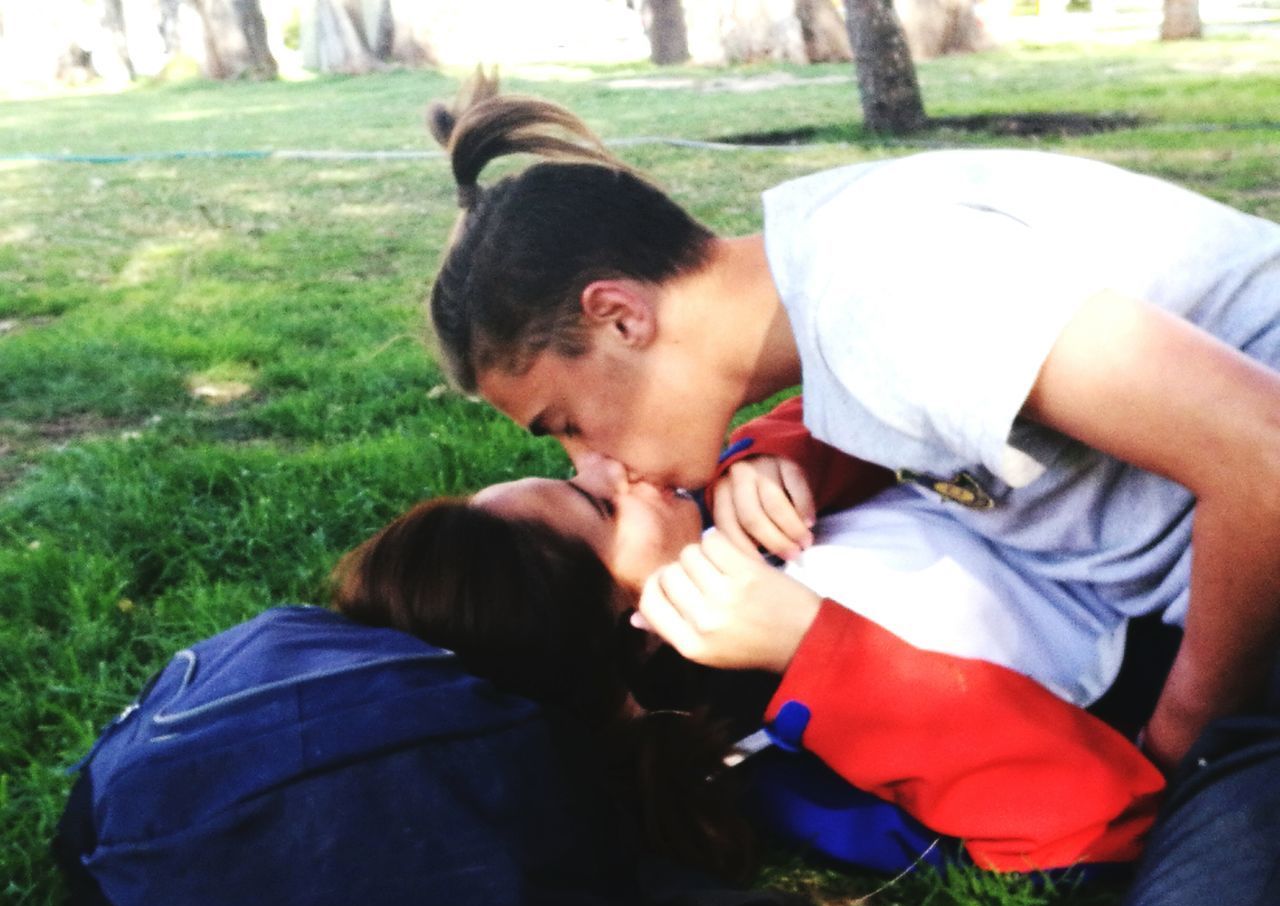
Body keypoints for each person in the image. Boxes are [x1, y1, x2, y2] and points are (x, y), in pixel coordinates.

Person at [424, 86, 1280, 778]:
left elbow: (1266, 454)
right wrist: (767, 452)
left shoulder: (890, 299)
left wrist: (1183, 738)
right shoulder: (824, 272)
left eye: (568, 425)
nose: (597, 464)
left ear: (618, 316)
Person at [334, 409, 1166, 874]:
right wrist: (818, 652)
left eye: (568, 473)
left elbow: (891, 413)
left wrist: (766, 454)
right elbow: (1098, 819)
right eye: (597, 507)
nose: (605, 466)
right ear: (643, 632)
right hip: (1184, 624)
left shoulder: (731, 524)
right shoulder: (797, 763)